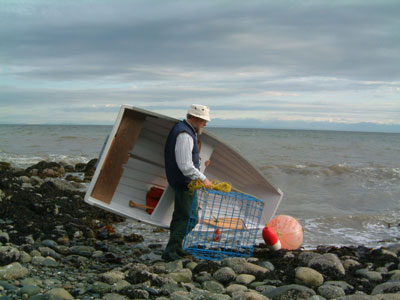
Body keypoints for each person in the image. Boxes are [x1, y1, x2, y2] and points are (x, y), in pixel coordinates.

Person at [162, 104, 213, 261]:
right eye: (203, 120)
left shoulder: (185, 130)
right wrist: (203, 179)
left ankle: (177, 247)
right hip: (185, 183)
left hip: (183, 181)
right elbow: (185, 166)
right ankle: (170, 251)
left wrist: (201, 162)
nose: (205, 124)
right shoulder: (184, 135)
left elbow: (187, 160)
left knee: (180, 217)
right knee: (190, 218)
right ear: (195, 118)